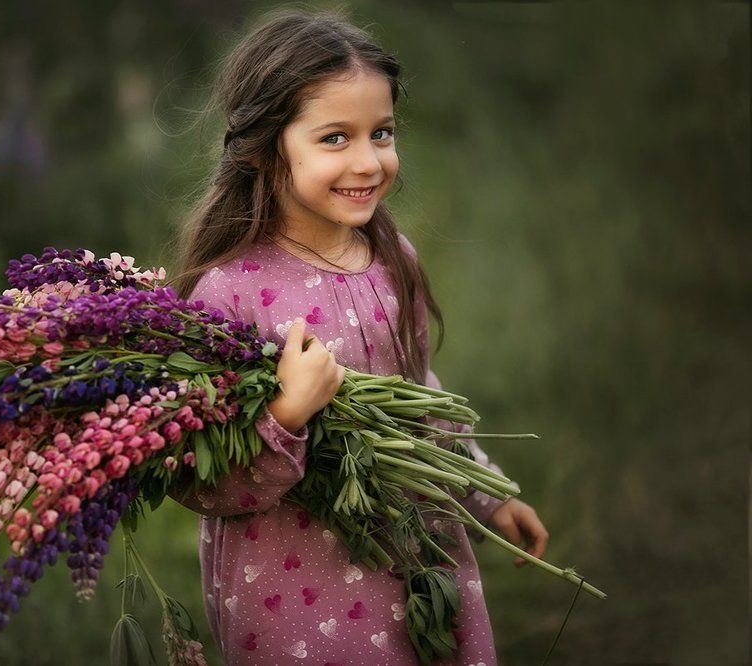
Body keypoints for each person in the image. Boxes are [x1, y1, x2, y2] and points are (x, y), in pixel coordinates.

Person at [165, 9, 549, 665]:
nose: (369, 161)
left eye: (383, 132)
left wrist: (484, 491)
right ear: (264, 147)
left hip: (418, 557)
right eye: (336, 138)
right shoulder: (228, 293)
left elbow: (418, 393)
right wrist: (288, 411)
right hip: (294, 593)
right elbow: (198, 479)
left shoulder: (389, 255)